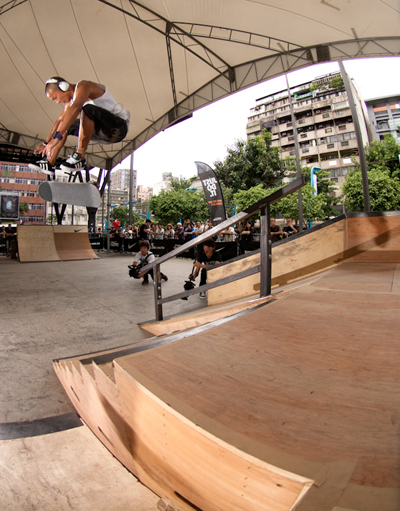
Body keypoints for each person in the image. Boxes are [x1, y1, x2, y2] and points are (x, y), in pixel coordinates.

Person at [29, 77, 130, 176]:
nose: (57, 102)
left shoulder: (84, 86)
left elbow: (76, 107)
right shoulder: (70, 102)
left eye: (55, 98)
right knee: (65, 125)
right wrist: (46, 142)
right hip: (102, 134)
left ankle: (79, 156)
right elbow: (59, 121)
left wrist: (56, 138)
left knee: (87, 109)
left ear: (63, 87)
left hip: (117, 127)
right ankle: (49, 163)